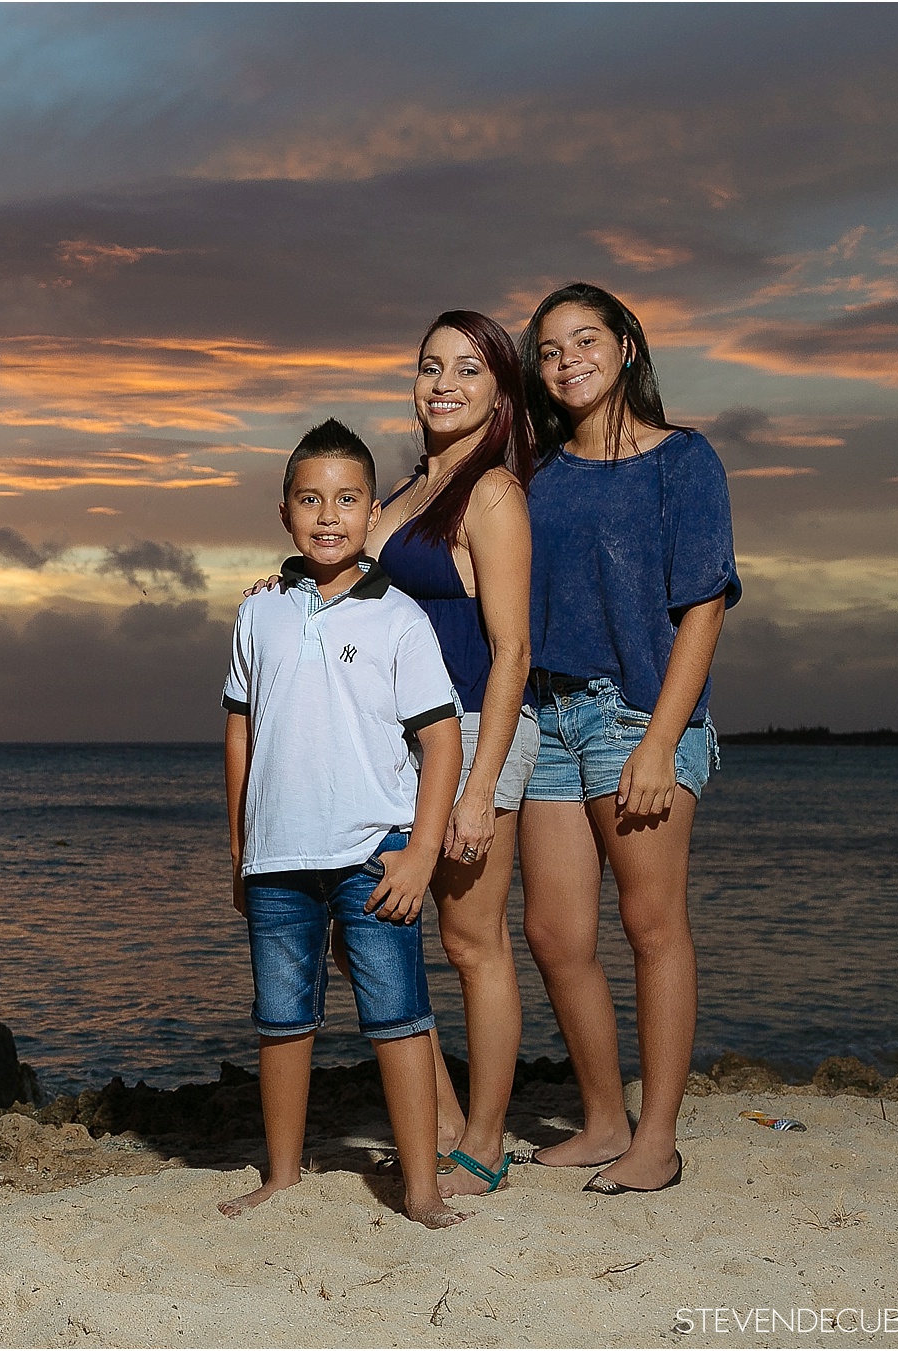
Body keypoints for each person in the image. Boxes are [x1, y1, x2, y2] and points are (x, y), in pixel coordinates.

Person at [249, 312, 538, 1198]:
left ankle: (483, 1138)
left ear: (498, 391)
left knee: (470, 938)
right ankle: (440, 1117)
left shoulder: (490, 492)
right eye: (429, 367)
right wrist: (280, 580)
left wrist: (483, 781)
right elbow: (339, 569)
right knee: (374, 920)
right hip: (396, 742)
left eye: (467, 369)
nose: (443, 383)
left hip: (477, 730)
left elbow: (513, 647)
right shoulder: (406, 491)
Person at [516, 282, 741, 1195]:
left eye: (585, 339)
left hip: (635, 716)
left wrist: (662, 739)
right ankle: (603, 1116)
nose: (568, 358)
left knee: (652, 925)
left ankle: (658, 1139)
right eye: (549, 348)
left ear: (628, 347)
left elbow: (704, 607)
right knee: (555, 934)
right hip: (546, 714)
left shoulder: (683, 462)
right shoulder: (534, 476)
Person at [219, 417, 467, 1229]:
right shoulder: (258, 613)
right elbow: (241, 731)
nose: (329, 515)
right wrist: (240, 847)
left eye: (348, 499)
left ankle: (422, 1188)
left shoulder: (397, 616)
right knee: (282, 1021)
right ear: (285, 510)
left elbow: (441, 737)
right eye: (311, 499)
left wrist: (422, 851)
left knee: (400, 1020)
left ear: (371, 514)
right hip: (278, 858)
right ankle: (282, 1175)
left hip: (376, 853)